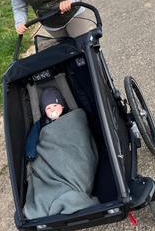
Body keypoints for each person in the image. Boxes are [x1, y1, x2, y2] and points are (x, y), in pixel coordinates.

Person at [23, 87, 99, 219]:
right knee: (42, 183)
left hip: (74, 154)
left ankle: (73, 189)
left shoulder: (74, 115)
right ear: (43, 111)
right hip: (52, 157)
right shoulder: (41, 124)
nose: (52, 110)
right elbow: (32, 143)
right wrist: (30, 153)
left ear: (62, 105)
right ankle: (64, 192)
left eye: (55, 105)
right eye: (48, 108)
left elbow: (81, 132)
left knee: (77, 168)